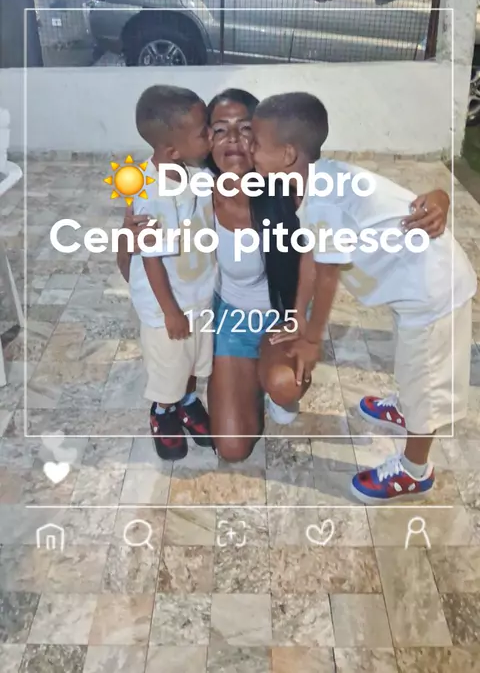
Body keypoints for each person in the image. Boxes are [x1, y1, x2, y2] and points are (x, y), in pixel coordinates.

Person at [118, 87, 452, 466]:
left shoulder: (288, 186)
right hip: (230, 320)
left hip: (281, 314)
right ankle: (240, 378)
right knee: (232, 447)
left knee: (282, 384)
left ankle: (274, 383)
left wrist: (438, 197)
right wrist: (128, 240)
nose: (233, 140)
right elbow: (139, 254)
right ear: (206, 139)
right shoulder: (193, 189)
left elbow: (364, 194)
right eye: (220, 129)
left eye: (245, 129)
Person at [250, 91, 476, 503]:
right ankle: (405, 407)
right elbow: (311, 252)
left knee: (427, 385)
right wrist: (298, 315)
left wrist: (311, 339)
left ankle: (415, 471)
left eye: (256, 143)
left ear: (287, 154)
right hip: (413, 286)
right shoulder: (315, 181)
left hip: (433, 291)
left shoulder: (325, 200)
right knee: (412, 364)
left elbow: (327, 276)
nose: (250, 150)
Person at [128, 84, 215, 461]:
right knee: (169, 366)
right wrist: (170, 311)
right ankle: (163, 411)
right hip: (168, 308)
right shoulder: (154, 194)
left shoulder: (192, 171)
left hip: (197, 295)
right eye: (203, 132)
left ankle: (188, 400)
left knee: (193, 360)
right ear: (173, 150)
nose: (211, 136)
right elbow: (150, 259)